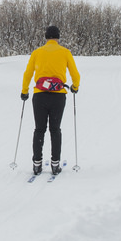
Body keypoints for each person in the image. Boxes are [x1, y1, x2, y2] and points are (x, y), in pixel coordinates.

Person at [20, 25, 80, 176]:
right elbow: (75, 75)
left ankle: (37, 164)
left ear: (46, 37)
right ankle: (55, 164)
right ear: (58, 38)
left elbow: (27, 73)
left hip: (40, 96)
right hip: (58, 96)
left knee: (39, 129)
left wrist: (24, 91)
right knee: (55, 130)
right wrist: (74, 87)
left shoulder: (37, 53)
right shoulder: (65, 52)